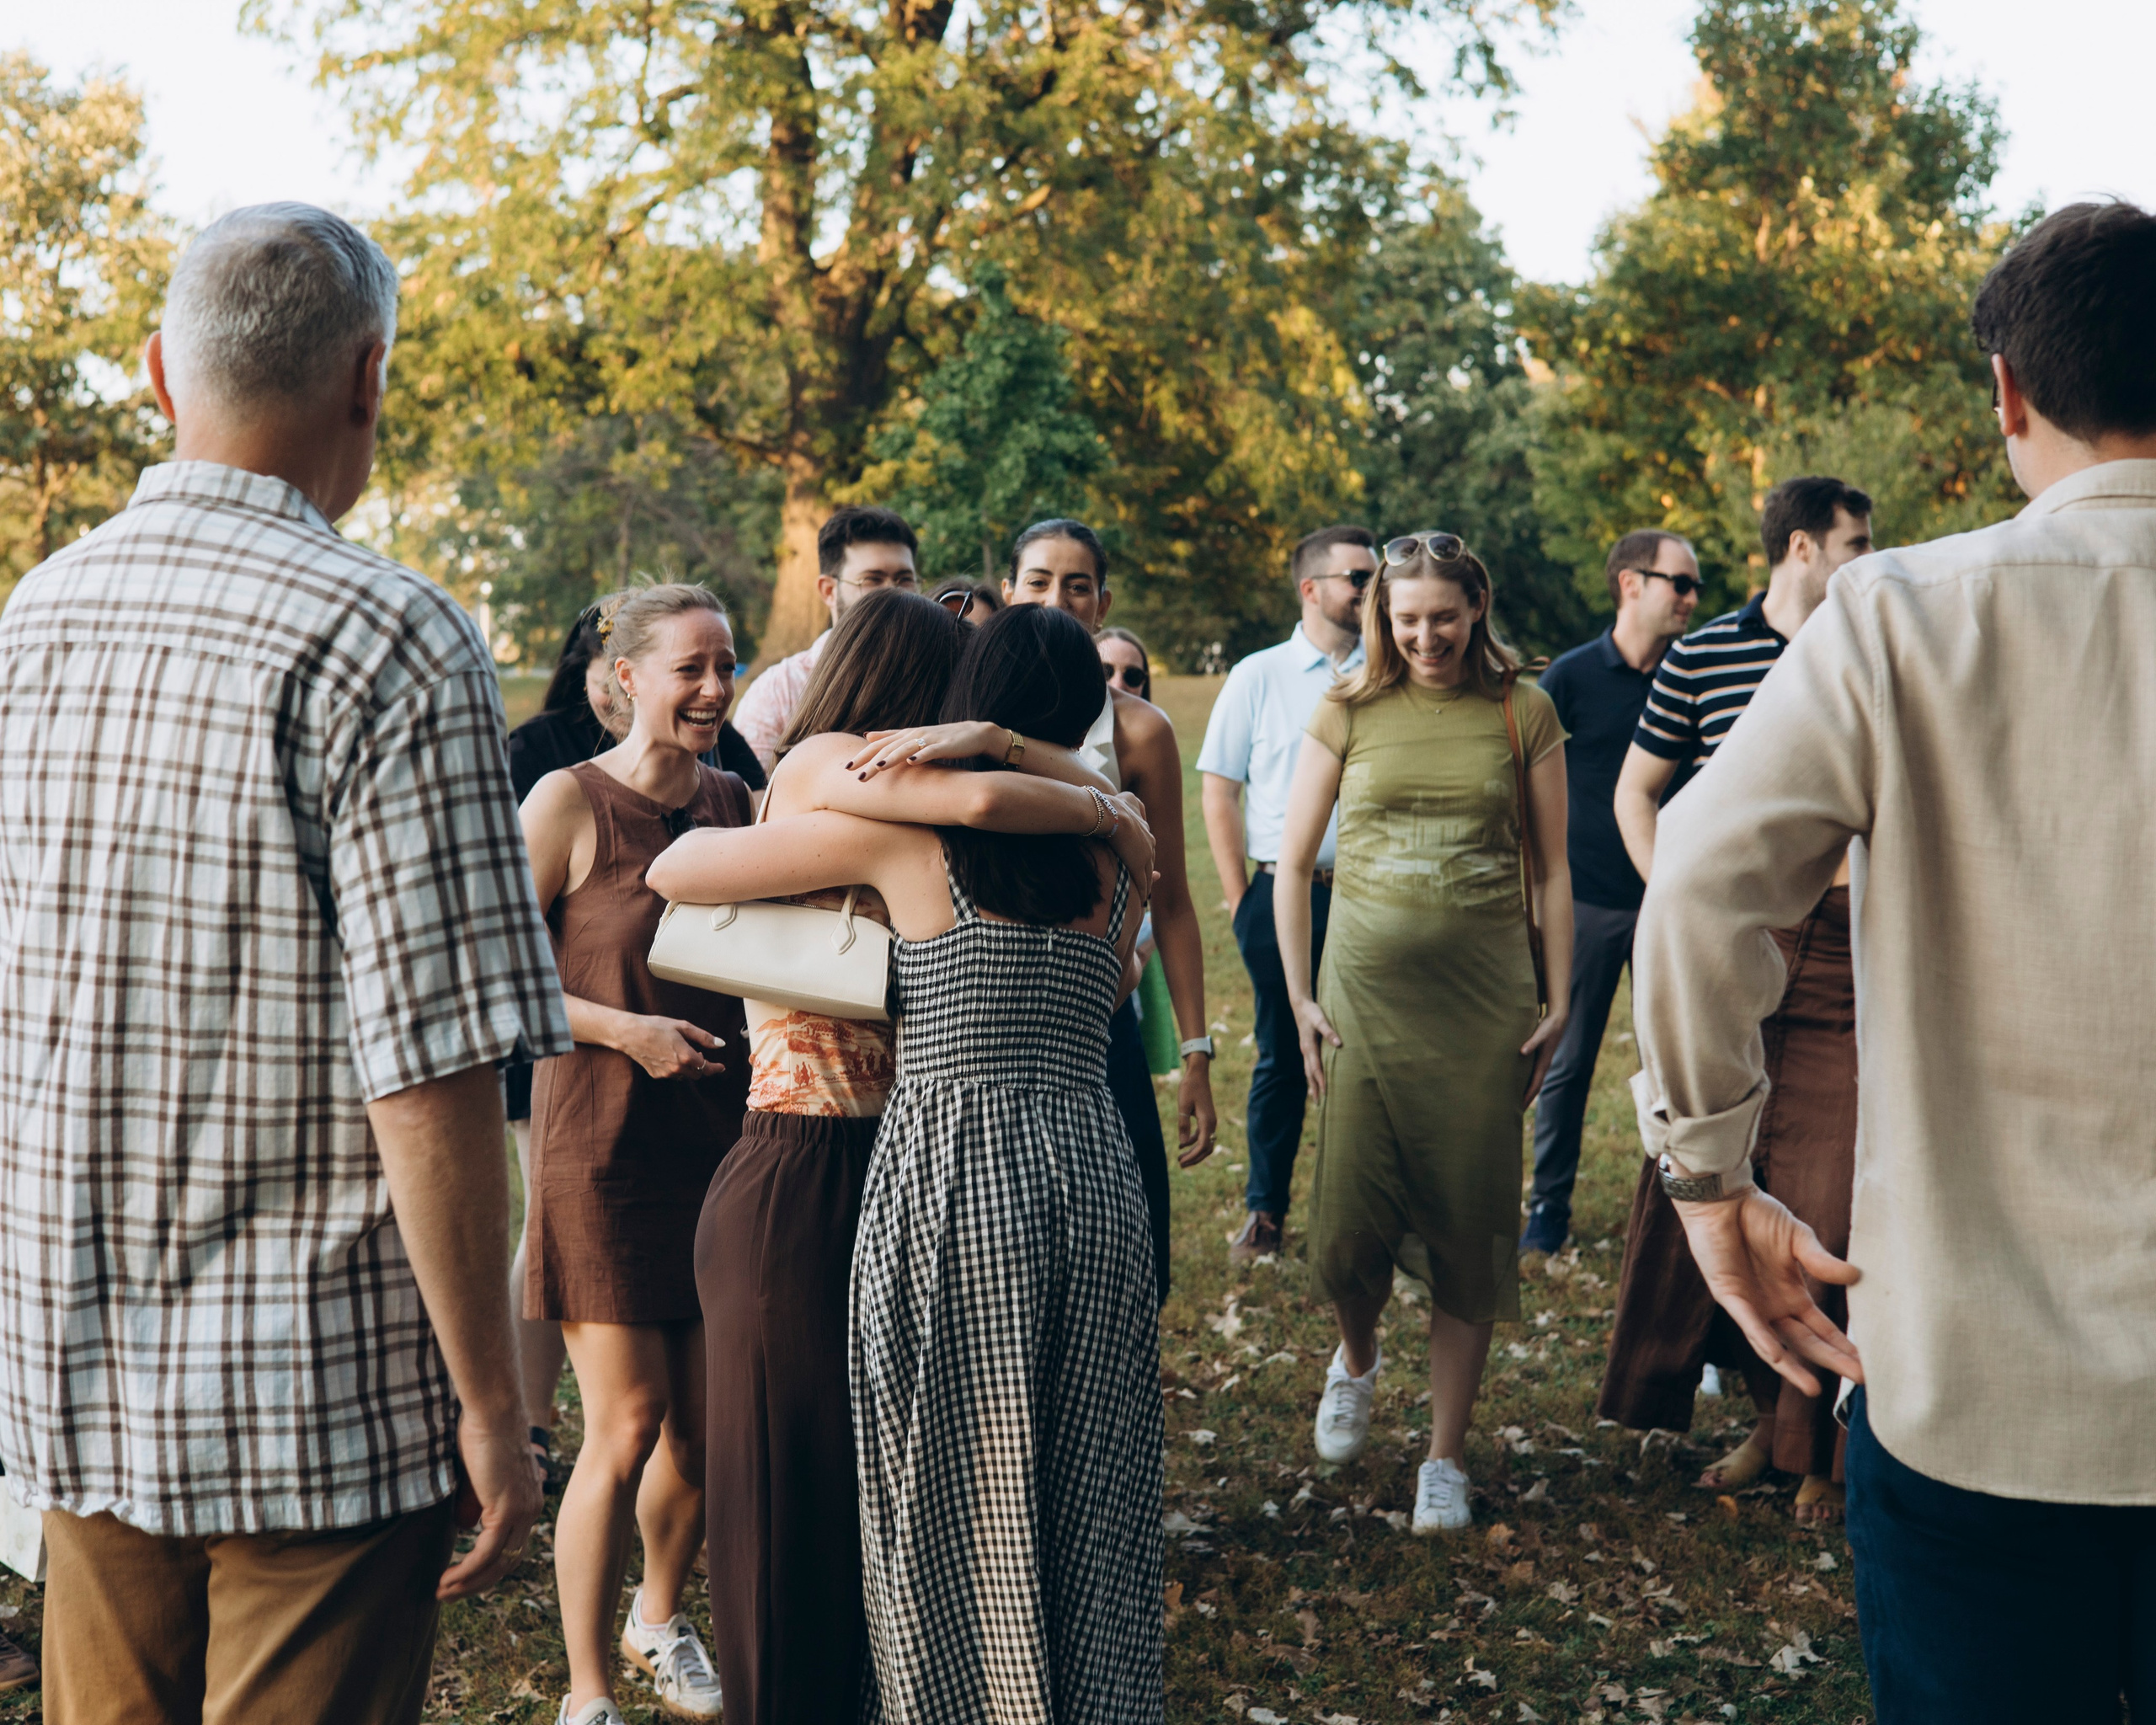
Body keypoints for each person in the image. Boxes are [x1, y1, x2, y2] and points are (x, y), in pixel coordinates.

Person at [0, 203, 565, 1722]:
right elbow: (433, 1065)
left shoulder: (32, 619)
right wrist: (494, 1405)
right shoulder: (390, 635)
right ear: (368, 375)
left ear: (156, 373)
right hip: (314, 1382)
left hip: (75, 1351)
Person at [1633, 200, 2156, 1723]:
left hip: (1979, 1390)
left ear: (2008, 395)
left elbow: (1702, 892)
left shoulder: (1900, 613)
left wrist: (1712, 1184)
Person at [656, 603, 1164, 1722]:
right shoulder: (1127, 850)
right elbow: (1118, 974)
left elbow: (685, 867)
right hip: (1093, 1171)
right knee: (1089, 1482)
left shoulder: (909, 841)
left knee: (941, 1488)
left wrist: (946, 757)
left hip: (948, 1175)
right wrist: (1066, 779)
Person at [1276, 532, 1572, 1536]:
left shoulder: (1519, 709)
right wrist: (1298, 998)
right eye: (1405, 619)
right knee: (1346, 1232)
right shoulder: (1349, 706)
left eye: (1441, 616)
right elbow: (1291, 862)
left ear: (1475, 606)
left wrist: (1559, 995)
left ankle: (1442, 1457)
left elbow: (1551, 873)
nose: (1425, 635)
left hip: (1485, 1006)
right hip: (1362, 1000)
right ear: (1380, 619)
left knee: (1469, 1226)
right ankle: (1356, 1354)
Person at [1596, 476, 1873, 1527]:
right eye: (1852, 539)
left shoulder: (1871, 644)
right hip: (1736, 944)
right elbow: (1637, 787)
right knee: (1715, 1170)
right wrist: (1683, 897)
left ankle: (1824, 1448)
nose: (1865, 555)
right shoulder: (1705, 651)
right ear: (1800, 546)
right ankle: (1767, 1419)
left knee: (1826, 1186)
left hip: (1849, 947)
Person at [521, 583, 754, 1724]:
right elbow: (499, 984)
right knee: (625, 1424)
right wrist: (627, 1031)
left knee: (707, 1433)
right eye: (690, 669)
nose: (715, 688)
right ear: (625, 681)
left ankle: (660, 1620)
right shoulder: (566, 803)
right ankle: (587, 1691)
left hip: (724, 1148)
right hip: (600, 1150)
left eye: (727, 665)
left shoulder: (740, 801)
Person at [1004, 519, 1218, 1301]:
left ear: (1103, 601)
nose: (1057, 600)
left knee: (1128, 1248)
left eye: (1078, 584)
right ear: (1007, 592)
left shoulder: (1138, 729)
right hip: (981, 1014)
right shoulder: (962, 703)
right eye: (1037, 581)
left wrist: (1196, 1050)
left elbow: (1175, 900)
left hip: (1101, 1012)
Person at [1518, 531, 1699, 1254]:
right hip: (1587, 902)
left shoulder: (1692, 673)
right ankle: (1547, 1214)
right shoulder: (1568, 678)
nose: (1691, 599)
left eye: (1694, 587)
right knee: (1567, 1063)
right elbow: (1525, 791)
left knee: (1682, 1070)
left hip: (1675, 902)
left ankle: (1679, 1215)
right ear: (1630, 583)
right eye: (1679, 584)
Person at [1197, 526, 1373, 1262]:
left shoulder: (1390, 673)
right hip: (1279, 897)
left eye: (1374, 577)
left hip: (1373, 897)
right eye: (1356, 578)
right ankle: (1266, 1213)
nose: (1370, 590)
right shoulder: (1258, 675)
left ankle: (1364, 1218)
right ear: (1312, 589)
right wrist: (1242, 900)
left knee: (1367, 1055)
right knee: (1280, 1050)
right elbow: (1218, 790)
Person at [732, 506, 919, 769]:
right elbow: (757, 805)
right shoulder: (778, 693)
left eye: (904, 579)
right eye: (873, 579)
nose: (894, 594)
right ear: (829, 591)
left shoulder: (940, 676)